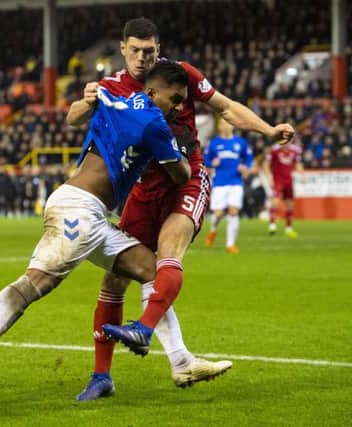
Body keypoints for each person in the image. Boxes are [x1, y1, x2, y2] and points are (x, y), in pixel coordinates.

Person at [66, 17, 295, 400]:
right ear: (122, 49)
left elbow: (225, 107)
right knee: (114, 280)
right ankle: (101, 376)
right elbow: (74, 118)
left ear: (159, 49)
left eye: (149, 51)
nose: (142, 58)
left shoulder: (180, 74)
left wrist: (268, 130)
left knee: (169, 252)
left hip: (186, 177)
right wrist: (86, 100)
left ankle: (145, 328)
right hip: (141, 187)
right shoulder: (111, 87)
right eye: (135, 51)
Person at [0, 61, 191, 403]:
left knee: (150, 269)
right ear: (152, 93)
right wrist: (183, 151)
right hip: (78, 208)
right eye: (175, 99)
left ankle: (180, 359)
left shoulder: (115, 97)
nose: (179, 107)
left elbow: (74, 115)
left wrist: (88, 95)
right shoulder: (154, 122)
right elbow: (181, 177)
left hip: (87, 210)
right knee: (38, 282)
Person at [204, 117, 254, 253]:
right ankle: (213, 230)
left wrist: (245, 167)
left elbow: (249, 158)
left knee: (233, 211)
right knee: (218, 214)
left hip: (236, 181)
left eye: (228, 123)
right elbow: (205, 159)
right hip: (219, 181)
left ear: (232, 126)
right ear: (219, 126)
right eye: (222, 123)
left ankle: (230, 244)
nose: (226, 126)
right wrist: (210, 163)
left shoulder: (240, 142)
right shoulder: (213, 143)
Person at [264, 140, 304, 237]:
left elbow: (298, 163)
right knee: (275, 202)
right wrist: (269, 177)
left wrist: (302, 173)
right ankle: (272, 225)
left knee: (290, 204)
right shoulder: (274, 149)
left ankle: (288, 228)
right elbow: (266, 164)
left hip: (288, 180)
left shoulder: (295, 150)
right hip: (278, 180)